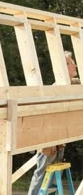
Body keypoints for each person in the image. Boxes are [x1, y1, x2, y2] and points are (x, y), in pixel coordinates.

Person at [28, 50, 79, 195]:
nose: (75, 66)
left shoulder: (73, 85)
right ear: (63, 67)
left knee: (53, 178)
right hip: (48, 142)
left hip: (59, 141)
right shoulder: (55, 89)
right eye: (71, 64)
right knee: (41, 175)